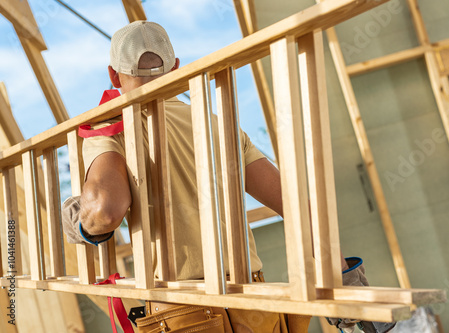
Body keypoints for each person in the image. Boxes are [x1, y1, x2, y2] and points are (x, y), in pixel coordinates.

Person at [62, 20, 394, 333]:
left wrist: (81, 222)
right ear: (176, 67)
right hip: (252, 301)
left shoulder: (110, 128)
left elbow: (106, 209)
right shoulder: (219, 125)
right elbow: (295, 206)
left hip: (184, 311)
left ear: (114, 75)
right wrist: (343, 278)